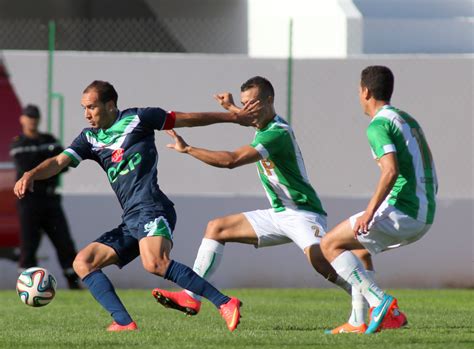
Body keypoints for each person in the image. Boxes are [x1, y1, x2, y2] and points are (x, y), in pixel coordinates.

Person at [14, 80, 260, 332]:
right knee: (83, 262)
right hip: (131, 217)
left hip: (152, 207)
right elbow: (58, 161)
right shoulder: (89, 138)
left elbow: (187, 118)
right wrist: (31, 174)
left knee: (155, 263)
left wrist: (232, 118)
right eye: (83, 108)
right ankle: (123, 322)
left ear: (110, 105)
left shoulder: (140, 118)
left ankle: (225, 302)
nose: (87, 114)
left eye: (92, 107)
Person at [151, 76, 356, 317]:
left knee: (322, 263)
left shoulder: (277, 133)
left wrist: (188, 149)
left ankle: (372, 300)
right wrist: (230, 108)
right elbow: (248, 118)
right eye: (244, 103)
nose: (247, 109)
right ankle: (190, 296)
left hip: (303, 212)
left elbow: (231, 161)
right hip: (279, 213)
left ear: (269, 101)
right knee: (216, 228)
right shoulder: (264, 124)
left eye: (252, 103)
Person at [320, 65, 438, 334]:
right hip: (424, 209)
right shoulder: (406, 119)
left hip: (404, 209)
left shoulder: (378, 125)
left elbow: (391, 170)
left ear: (365, 91)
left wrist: (369, 213)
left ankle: (379, 302)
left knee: (329, 244)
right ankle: (357, 321)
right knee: (359, 249)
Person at [10, 104, 81, 289]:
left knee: (63, 241)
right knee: (29, 244)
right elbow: (25, 165)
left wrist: (45, 165)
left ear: (38, 119)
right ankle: (27, 286)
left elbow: (62, 164)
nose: (32, 120)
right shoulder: (19, 142)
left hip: (50, 200)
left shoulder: (49, 139)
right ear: (22, 119)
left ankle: (73, 282)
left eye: (34, 117)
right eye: (28, 117)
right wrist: (46, 163)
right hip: (29, 200)